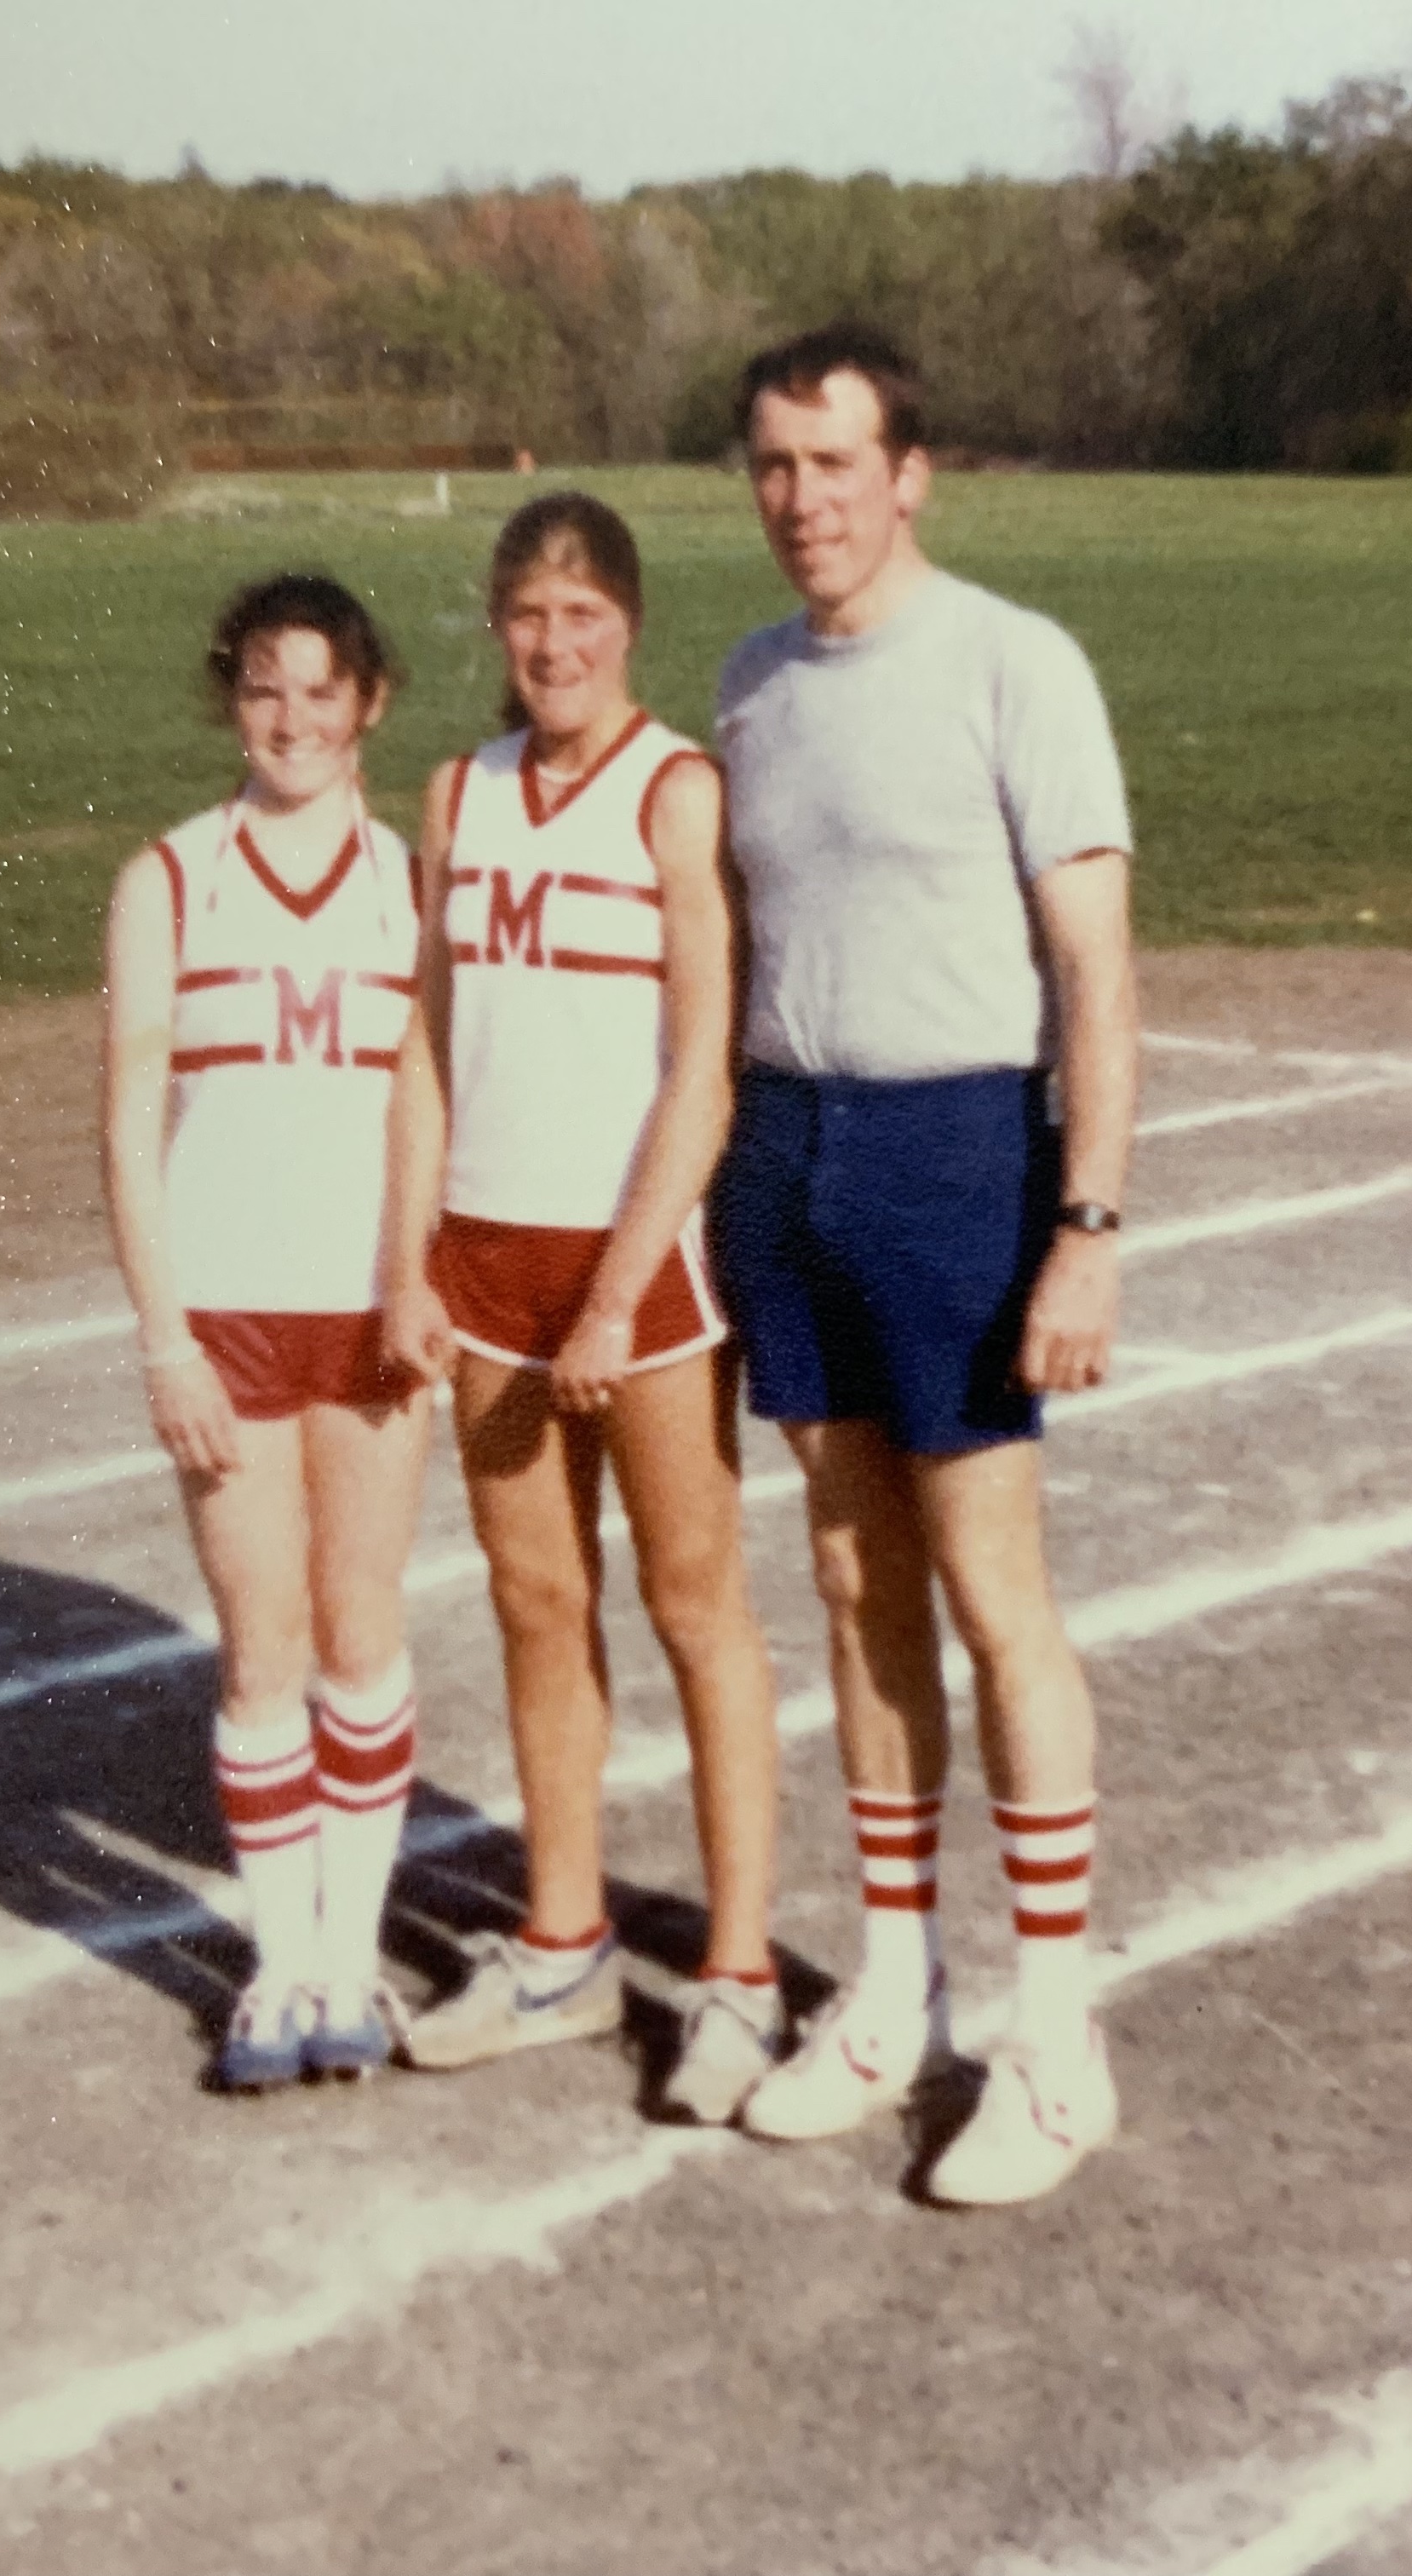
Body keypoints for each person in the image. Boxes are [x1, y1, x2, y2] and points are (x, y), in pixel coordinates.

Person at [705, 323, 1140, 2205]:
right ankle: (892, 1992)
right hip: (786, 1147)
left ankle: (1055, 2039)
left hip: (960, 1147)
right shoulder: (746, 685)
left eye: (836, 461)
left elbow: (1100, 973)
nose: (805, 499)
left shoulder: (1012, 662)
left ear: (913, 473)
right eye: (775, 466)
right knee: (848, 1570)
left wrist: (1090, 1225)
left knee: (988, 1585)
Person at [380, 492, 787, 2124]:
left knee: (696, 1605)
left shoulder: (676, 791)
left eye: (584, 616)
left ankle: (742, 1977)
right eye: (528, 618)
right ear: (500, 627)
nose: (555, 646)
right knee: (537, 1604)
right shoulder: (457, 794)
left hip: (648, 1277)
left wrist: (620, 1286)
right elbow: (423, 1044)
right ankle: (562, 1943)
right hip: (488, 1261)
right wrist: (410, 1259)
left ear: (627, 622)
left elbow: (704, 1064)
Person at [100, 572, 433, 2094]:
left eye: (320, 688)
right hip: (229, 1314)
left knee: (363, 1635)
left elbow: (441, 1103)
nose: (290, 717)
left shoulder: (410, 880)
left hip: (371, 1309)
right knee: (261, 1652)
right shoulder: (170, 878)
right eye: (261, 688)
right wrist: (164, 1337)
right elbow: (126, 1123)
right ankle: (280, 1967)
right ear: (230, 701)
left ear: (369, 702)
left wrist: (423, 1277)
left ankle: (349, 1959)